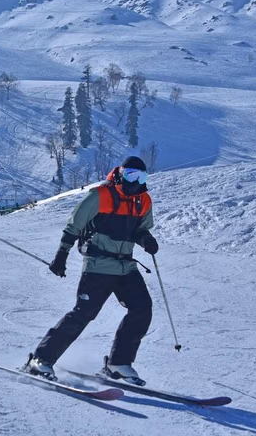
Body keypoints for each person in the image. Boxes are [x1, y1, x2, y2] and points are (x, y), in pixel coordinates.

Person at [23, 156, 159, 386]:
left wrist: (147, 239)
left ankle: (118, 364)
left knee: (142, 309)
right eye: (130, 175)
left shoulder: (143, 200)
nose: (135, 181)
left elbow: (140, 229)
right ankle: (40, 359)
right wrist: (61, 255)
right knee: (83, 313)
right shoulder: (100, 195)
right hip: (98, 265)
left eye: (141, 177)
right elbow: (74, 225)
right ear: (120, 173)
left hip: (125, 266)